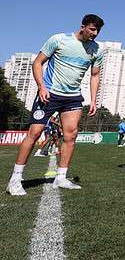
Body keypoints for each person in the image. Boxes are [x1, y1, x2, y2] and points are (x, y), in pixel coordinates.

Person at [6, 14, 104, 195]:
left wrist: (93, 99)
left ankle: (61, 177)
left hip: (73, 97)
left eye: (98, 30)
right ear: (82, 26)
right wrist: (41, 87)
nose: (95, 33)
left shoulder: (96, 50)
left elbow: (95, 75)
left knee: (71, 135)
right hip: (49, 93)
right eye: (92, 29)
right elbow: (37, 62)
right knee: (34, 133)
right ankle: (15, 179)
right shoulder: (59, 39)